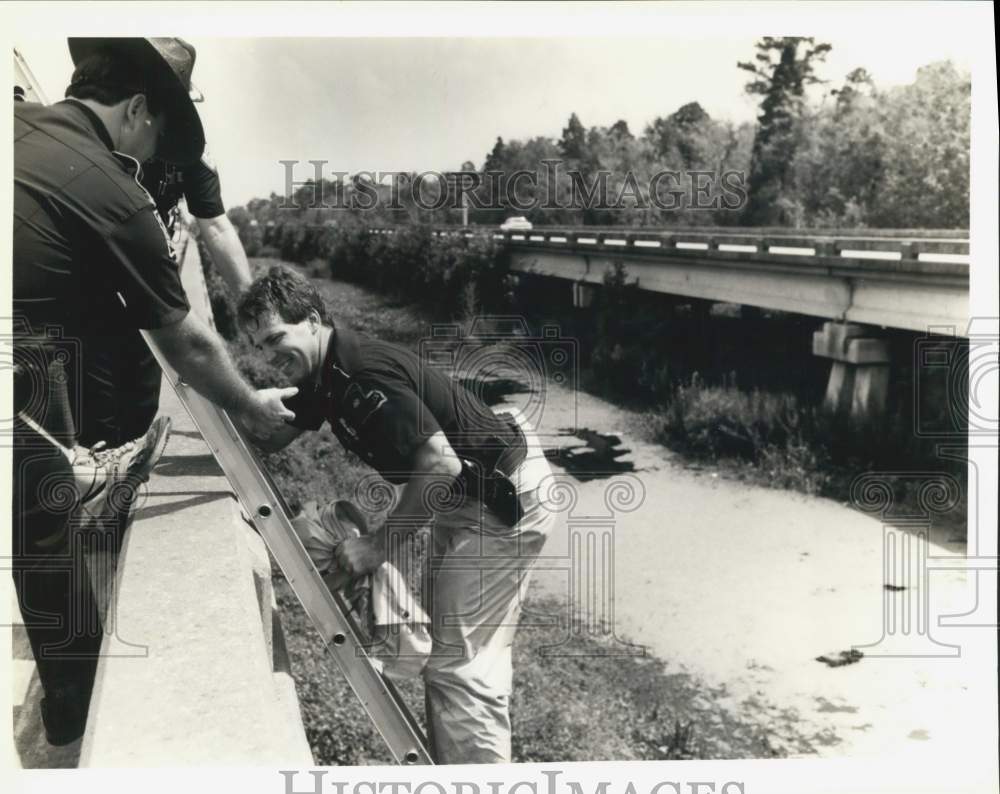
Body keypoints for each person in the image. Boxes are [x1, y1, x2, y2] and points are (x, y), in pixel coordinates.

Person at [12, 37, 295, 745]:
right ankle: (75, 714)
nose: (159, 144)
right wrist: (254, 402)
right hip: (29, 347)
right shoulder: (115, 187)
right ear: (138, 108)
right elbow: (188, 340)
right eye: (160, 124)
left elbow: (216, 228)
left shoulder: (24, 126)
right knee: (43, 521)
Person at [236, 266, 557, 764]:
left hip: (499, 499)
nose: (269, 356)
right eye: (258, 346)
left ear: (314, 321)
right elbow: (271, 434)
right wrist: (224, 397)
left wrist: (377, 546)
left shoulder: (361, 373)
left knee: (461, 670)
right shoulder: (323, 375)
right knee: (460, 661)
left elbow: (438, 465)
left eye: (276, 338)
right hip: (467, 494)